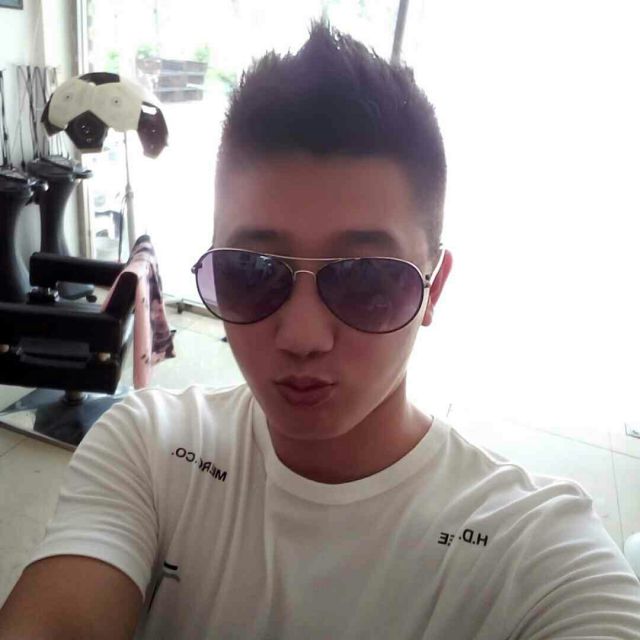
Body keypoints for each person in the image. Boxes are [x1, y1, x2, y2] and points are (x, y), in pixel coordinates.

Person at [1, 20, 639, 640]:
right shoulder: (148, 446)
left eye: (367, 279)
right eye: (251, 270)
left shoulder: (538, 553)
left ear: (433, 288)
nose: (302, 336)